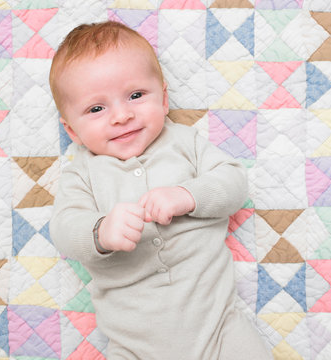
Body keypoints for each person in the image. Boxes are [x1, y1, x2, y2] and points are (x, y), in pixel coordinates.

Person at [49, 21, 272, 360]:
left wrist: (187, 195)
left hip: (219, 328)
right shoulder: (82, 173)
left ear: (164, 98)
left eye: (136, 96)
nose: (122, 115)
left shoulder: (184, 142)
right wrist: (101, 231)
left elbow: (234, 182)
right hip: (135, 346)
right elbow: (64, 229)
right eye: (97, 109)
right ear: (72, 130)